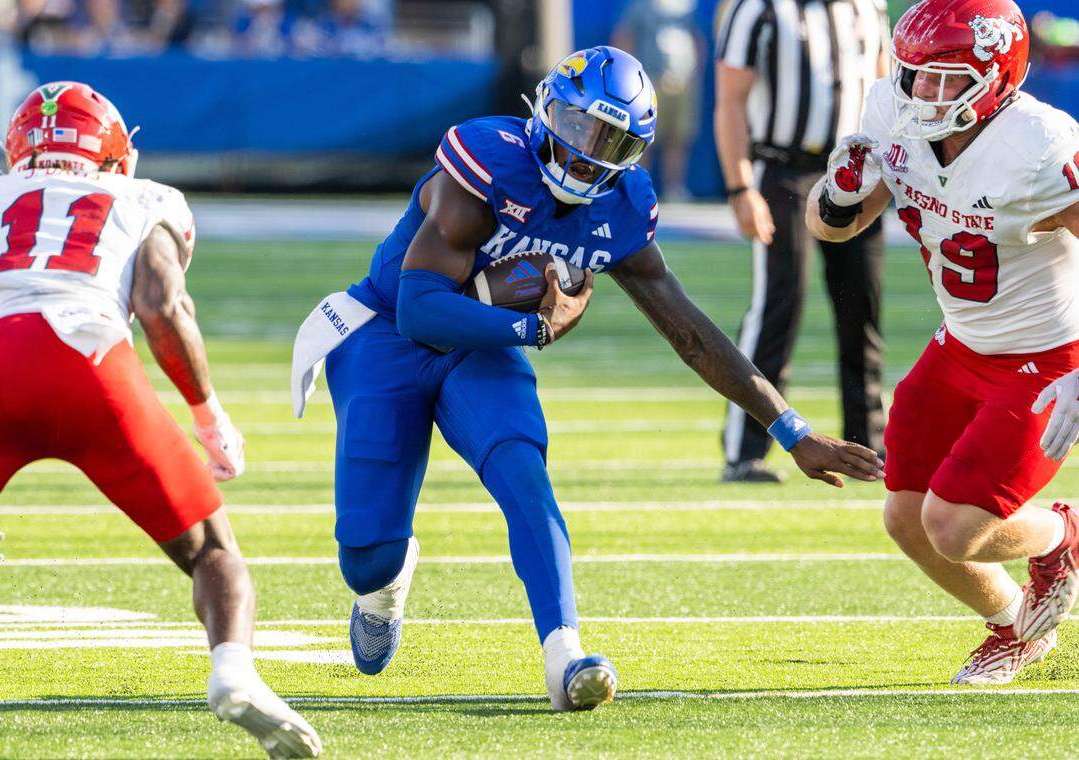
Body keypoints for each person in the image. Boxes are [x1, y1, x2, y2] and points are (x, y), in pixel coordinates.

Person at [291, 45, 884, 712]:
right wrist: (531, 330)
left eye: (611, 140)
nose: (584, 153)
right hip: (387, 339)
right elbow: (419, 307)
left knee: (523, 472)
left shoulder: (622, 204)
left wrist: (789, 427)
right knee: (366, 554)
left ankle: (564, 654)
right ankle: (383, 586)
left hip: (478, 351)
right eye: (577, 128)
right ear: (547, 111)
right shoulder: (490, 161)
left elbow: (688, 331)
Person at [0, 82, 321, 757]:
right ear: (115, 156)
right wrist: (209, 420)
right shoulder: (147, 199)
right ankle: (234, 672)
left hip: (0, 376)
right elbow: (163, 306)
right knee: (212, 552)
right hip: (97, 369)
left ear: (16, 150)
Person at [807, 0, 1079, 684]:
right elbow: (832, 228)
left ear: (996, 77)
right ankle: (1017, 626)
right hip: (961, 342)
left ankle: (1061, 535)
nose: (923, 93)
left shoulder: (1040, 147)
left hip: (1046, 355)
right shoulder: (891, 113)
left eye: (945, 78)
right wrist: (838, 194)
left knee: (953, 525)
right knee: (905, 517)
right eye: (915, 76)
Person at [715, 0, 891, 482]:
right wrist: (740, 186)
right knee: (779, 306)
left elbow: (886, 90)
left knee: (862, 310)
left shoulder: (867, 6)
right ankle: (745, 450)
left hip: (858, 173)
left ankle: (868, 444)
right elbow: (730, 99)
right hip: (782, 169)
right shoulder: (760, 9)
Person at [611, 0, 705, 201]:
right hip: (652, 80)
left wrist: (697, 71)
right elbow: (624, 37)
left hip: (683, 80)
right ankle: (639, 187)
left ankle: (675, 189)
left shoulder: (687, 6)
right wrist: (629, 78)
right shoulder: (641, 6)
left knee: (678, 138)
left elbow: (696, 37)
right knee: (643, 137)